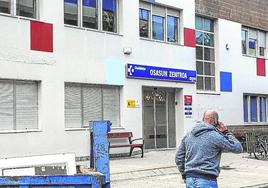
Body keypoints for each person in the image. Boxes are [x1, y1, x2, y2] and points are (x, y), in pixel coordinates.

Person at [175, 110, 243, 188]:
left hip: (190, 179)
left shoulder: (188, 135)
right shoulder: (215, 136)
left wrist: (185, 175)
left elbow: (178, 157)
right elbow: (238, 148)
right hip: (207, 180)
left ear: (203, 119)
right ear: (214, 121)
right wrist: (226, 132)